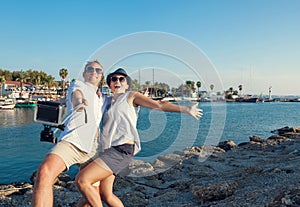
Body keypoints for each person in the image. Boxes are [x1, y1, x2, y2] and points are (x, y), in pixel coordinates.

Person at [75, 68, 203, 207]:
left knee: (83, 180)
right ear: (109, 84)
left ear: (127, 84)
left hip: (121, 149)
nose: (117, 81)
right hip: (107, 151)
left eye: (121, 79)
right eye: (113, 79)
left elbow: (158, 105)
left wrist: (186, 109)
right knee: (105, 194)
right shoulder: (107, 101)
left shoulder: (131, 96)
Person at [32, 60, 117, 207]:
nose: (94, 72)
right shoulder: (78, 85)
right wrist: (79, 102)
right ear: (84, 73)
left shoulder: (103, 98)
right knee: (45, 172)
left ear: (102, 76)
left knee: (92, 194)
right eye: (90, 69)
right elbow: (76, 95)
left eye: (98, 70)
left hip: (94, 148)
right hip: (72, 141)